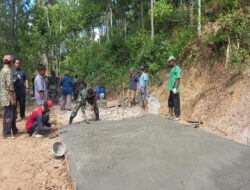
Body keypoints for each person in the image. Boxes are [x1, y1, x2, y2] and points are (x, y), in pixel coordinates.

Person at [0, 55, 18, 138]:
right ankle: (6, 133)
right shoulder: (8, 71)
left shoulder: (2, 70)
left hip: (4, 97)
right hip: (8, 98)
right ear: (10, 62)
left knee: (10, 114)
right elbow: (9, 87)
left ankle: (13, 130)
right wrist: (13, 99)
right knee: (8, 115)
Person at [166, 56, 181, 121]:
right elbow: (172, 77)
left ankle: (177, 116)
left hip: (175, 89)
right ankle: (170, 114)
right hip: (171, 89)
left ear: (173, 61)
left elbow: (178, 78)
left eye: (170, 61)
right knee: (170, 101)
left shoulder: (177, 68)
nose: (169, 63)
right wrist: (168, 76)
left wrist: (175, 88)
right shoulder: (172, 69)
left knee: (176, 102)